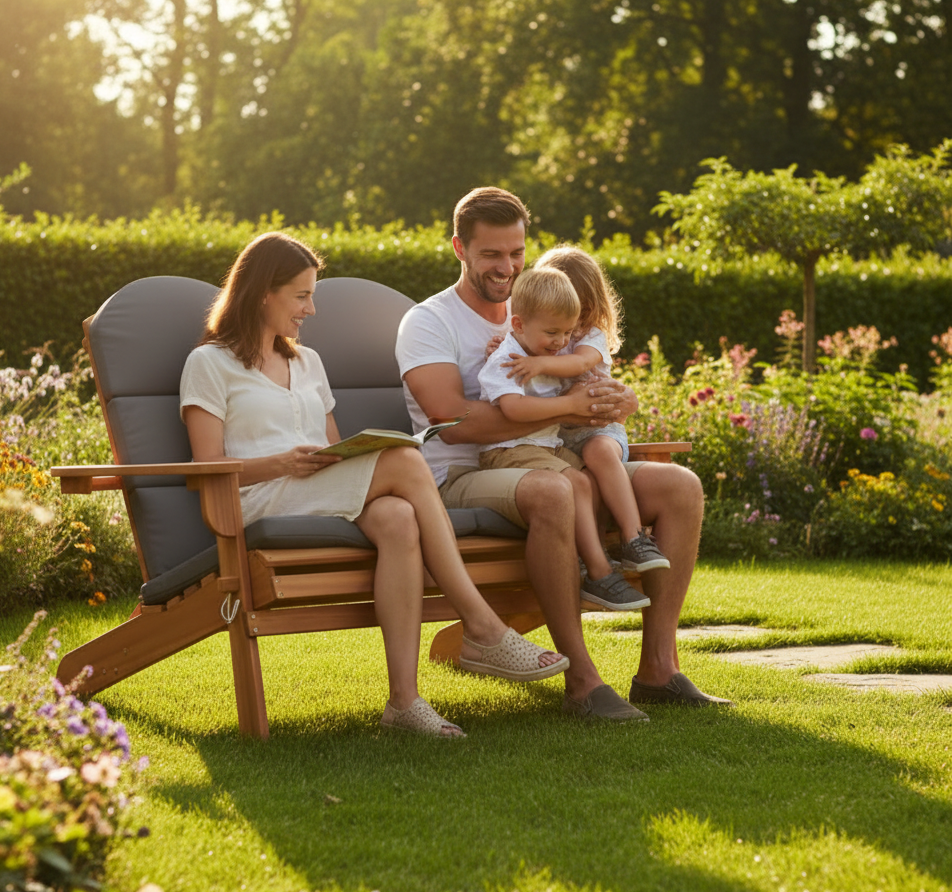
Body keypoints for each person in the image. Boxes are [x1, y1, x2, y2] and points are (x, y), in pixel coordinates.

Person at [180, 231, 570, 739]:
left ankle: (403, 704)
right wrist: (280, 464)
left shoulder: (307, 362)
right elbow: (204, 466)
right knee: (407, 461)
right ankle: (481, 624)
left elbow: (336, 447)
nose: (311, 309)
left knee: (398, 517)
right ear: (262, 293)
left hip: (318, 489)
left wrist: (334, 458)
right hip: (259, 500)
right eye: (301, 295)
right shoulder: (209, 364)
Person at [395, 187, 731, 719]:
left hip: (551, 456)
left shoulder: (542, 309)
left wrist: (618, 399)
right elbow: (452, 422)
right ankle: (581, 679)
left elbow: (590, 374)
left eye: (516, 253)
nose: (505, 267)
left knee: (681, 487)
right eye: (490, 255)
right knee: (555, 491)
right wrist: (573, 410)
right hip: (460, 476)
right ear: (459, 248)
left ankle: (659, 670)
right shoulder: (429, 322)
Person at [476, 264, 655, 613]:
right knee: (576, 481)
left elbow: (580, 374)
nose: (561, 343)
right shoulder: (509, 360)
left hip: (543, 447)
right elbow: (512, 409)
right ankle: (600, 572)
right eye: (553, 333)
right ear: (519, 325)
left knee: (587, 481)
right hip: (510, 450)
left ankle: (598, 559)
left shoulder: (543, 354)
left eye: (567, 334)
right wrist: (568, 404)